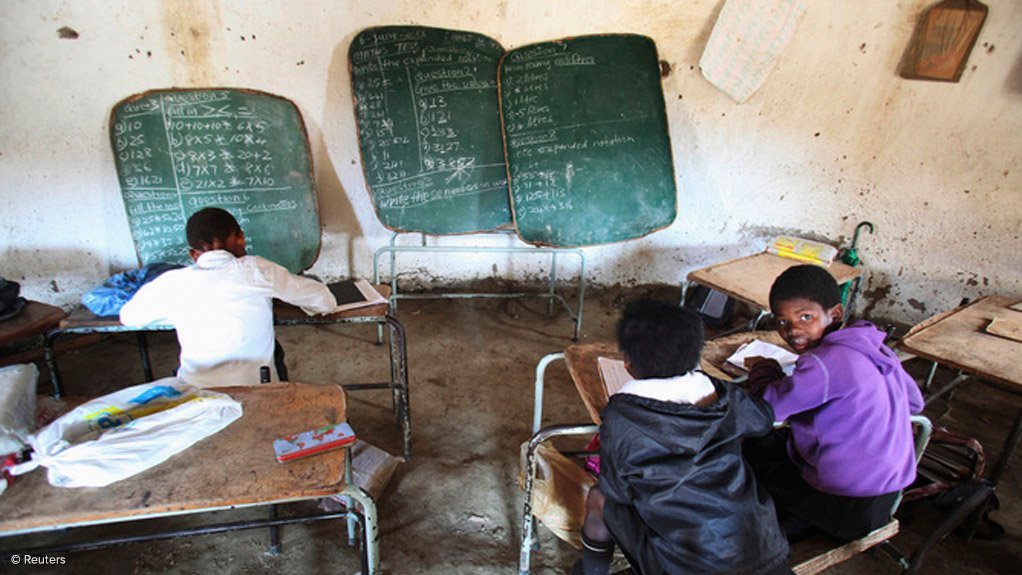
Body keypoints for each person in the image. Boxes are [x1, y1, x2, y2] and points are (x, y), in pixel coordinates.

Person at [577, 299, 790, 575]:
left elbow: (618, 490)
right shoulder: (723, 395)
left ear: (628, 363)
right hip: (766, 550)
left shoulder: (621, 419)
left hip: (686, 566)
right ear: (696, 357)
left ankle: (590, 570)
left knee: (599, 498)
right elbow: (762, 421)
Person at [746, 264, 925, 542]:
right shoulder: (873, 344)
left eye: (806, 317)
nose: (793, 330)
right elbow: (914, 403)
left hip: (846, 506)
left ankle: (787, 528)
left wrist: (763, 370)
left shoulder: (823, 363)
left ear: (835, 313)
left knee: (752, 455)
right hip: (886, 499)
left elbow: (767, 409)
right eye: (782, 321)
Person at [120, 207, 336, 388]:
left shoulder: (173, 284)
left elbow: (128, 317)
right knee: (275, 351)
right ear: (240, 238)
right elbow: (324, 300)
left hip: (196, 391)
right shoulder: (258, 270)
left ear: (193, 254)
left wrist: (178, 313)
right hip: (257, 386)